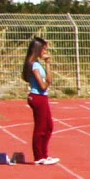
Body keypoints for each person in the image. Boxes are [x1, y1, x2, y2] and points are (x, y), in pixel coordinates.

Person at [21, 36, 59, 165]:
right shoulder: (34, 65)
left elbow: (49, 80)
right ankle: (39, 156)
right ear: (38, 49)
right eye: (44, 49)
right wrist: (47, 82)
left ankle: (44, 154)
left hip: (42, 96)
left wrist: (48, 64)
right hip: (37, 97)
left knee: (49, 126)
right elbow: (43, 85)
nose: (46, 52)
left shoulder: (38, 63)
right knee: (41, 128)